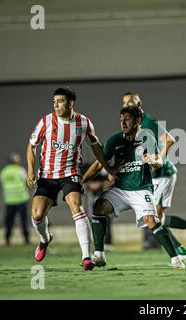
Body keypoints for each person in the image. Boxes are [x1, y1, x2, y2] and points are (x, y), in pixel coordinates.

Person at [82, 105, 186, 269]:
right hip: (120, 189)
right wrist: (82, 181)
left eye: (127, 119)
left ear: (138, 120)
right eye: (121, 119)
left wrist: (152, 161)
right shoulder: (115, 140)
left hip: (141, 188)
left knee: (151, 221)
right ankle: (99, 255)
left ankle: (176, 259)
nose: (123, 123)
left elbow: (159, 162)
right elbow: (98, 164)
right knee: (99, 207)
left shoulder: (147, 138)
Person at [27, 86, 115, 270]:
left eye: (60, 101)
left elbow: (96, 147)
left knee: (76, 206)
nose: (56, 105)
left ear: (70, 103)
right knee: (36, 216)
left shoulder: (84, 122)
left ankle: (86, 257)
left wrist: (108, 168)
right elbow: (31, 146)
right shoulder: (46, 121)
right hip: (47, 175)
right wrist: (30, 171)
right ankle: (45, 239)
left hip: (70, 174)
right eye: (54, 102)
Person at [122, 92, 186, 263]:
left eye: (131, 102)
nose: (128, 104)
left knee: (153, 218)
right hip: (154, 177)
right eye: (125, 102)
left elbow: (170, 139)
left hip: (162, 174)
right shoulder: (131, 124)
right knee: (157, 219)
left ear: (139, 103)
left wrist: (160, 159)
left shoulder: (148, 121)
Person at [0, 153, 30, 246]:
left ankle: (7, 239)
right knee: (24, 220)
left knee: (9, 221)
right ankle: (26, 239)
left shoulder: (4, 171)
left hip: (9, 199)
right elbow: (27, 182)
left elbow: (3, 183)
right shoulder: (20, 170)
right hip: (21, 199)